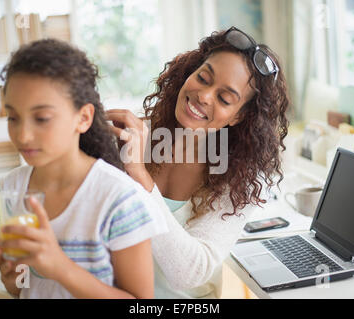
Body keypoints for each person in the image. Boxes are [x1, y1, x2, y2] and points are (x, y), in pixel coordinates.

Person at [106, 26, 289, 298]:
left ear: (238, 116)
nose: (204, 96)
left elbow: (189, 273)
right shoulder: (132, 138)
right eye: (203, 78)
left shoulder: (239, 183)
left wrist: (140, 178)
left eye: (224, 98)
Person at [0, 39, 167, 299]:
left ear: (83, 118)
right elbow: (23, 287)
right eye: (13, 117)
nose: (23, 135)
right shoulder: (10, 191)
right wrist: (13, 277)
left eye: (41, 118)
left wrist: (60, 267)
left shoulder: (119, 199)